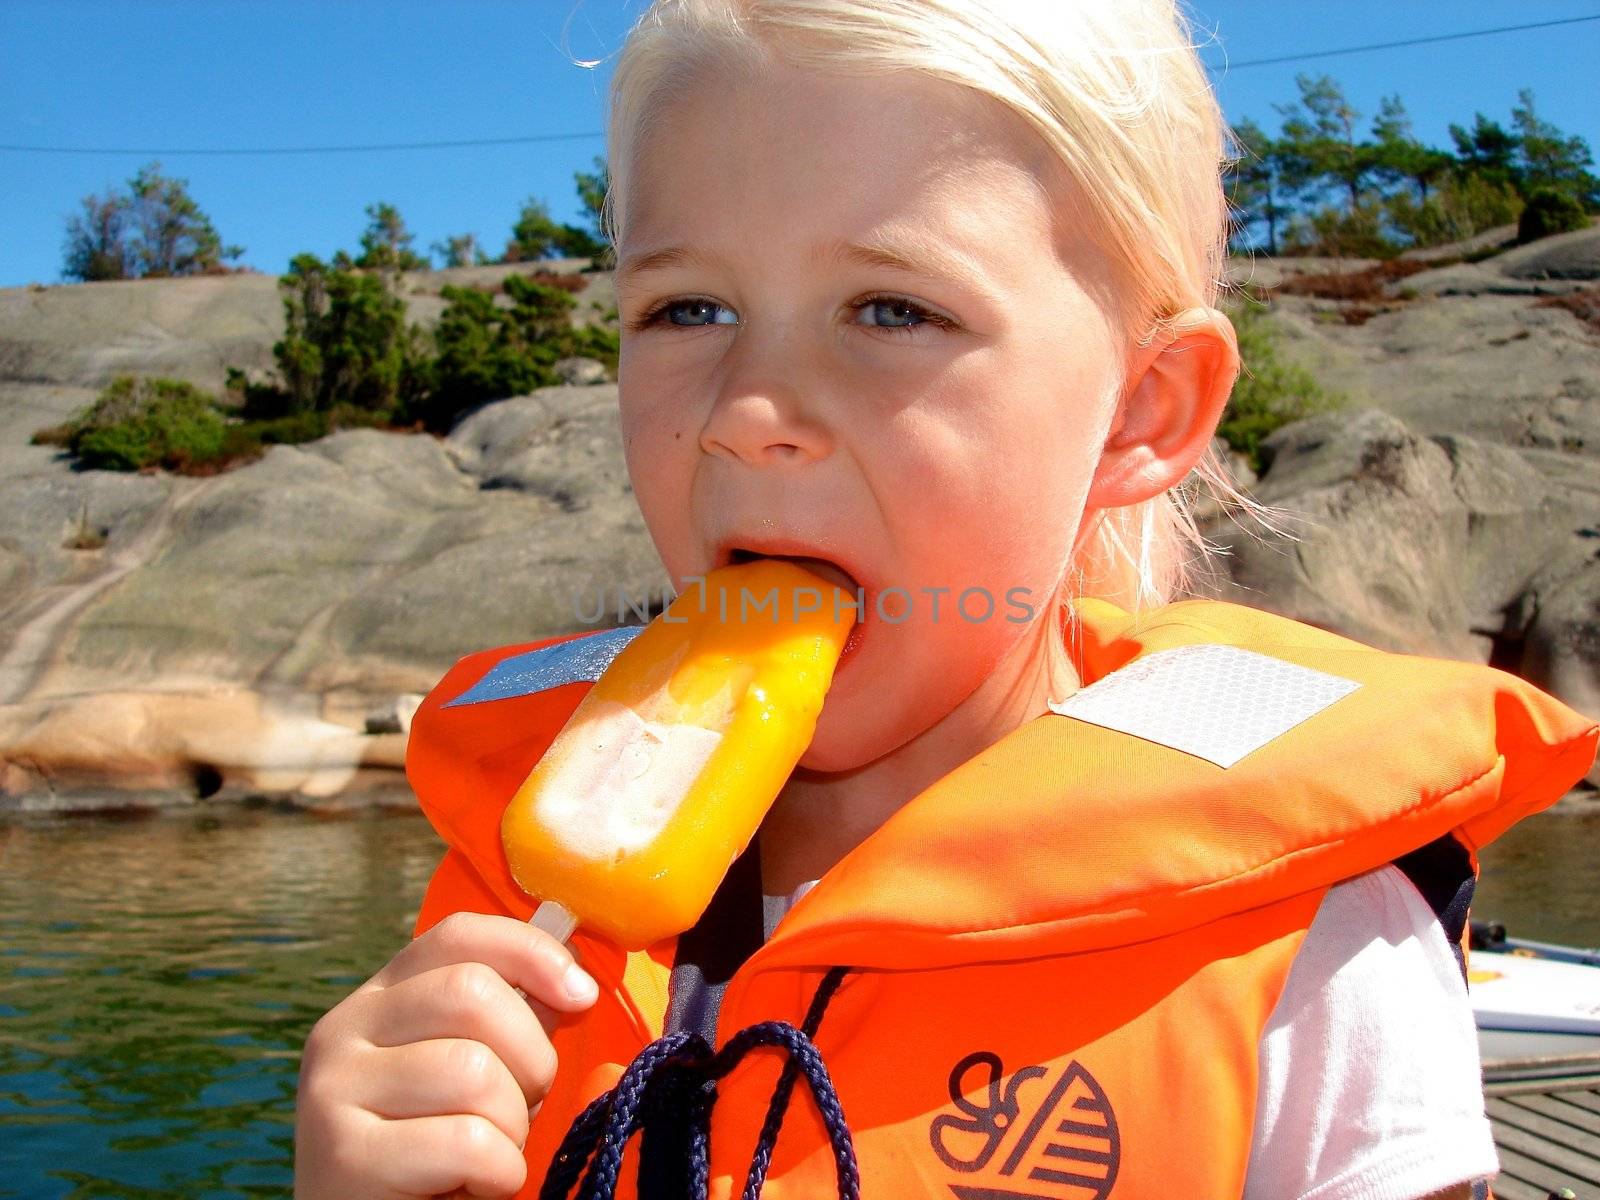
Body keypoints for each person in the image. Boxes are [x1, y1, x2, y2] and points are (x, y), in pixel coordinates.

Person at [293, 3, 1599, 1198]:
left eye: (890, 308)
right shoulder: (512, 907)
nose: (750, 416)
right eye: (687, 306)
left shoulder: (1319, 953)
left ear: (1140, 413)